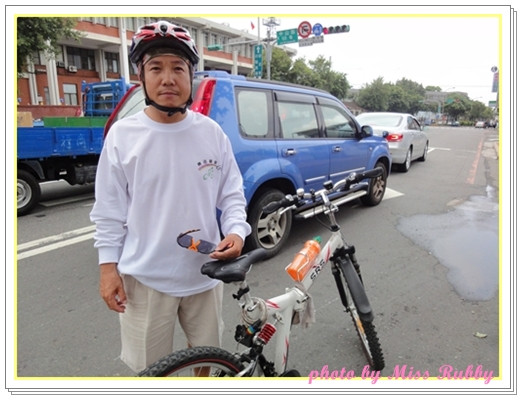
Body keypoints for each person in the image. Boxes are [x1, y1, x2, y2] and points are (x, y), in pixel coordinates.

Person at [90, 20, 251, 374]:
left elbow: (231, 193)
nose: (167, 78)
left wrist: (237, 231)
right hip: (145, 278)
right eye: (156, 68)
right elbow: (108, 211)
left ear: (191, 76)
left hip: (205, 274)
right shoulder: (123, 136)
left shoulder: (211, 133)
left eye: (178, 68)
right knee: (151, 373)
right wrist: (107, 268)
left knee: (207, 363)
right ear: (141, 77)